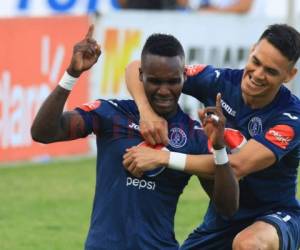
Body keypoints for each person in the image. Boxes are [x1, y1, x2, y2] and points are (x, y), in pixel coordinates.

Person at [31, 26, 239, 250]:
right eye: (155, 81)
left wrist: (219, 148)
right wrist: (71, 75)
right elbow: (43, 132)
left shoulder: (194, 135)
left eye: (173, 82)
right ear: (141, 76)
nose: (164, 90)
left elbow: (227, 207)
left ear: (183, 78)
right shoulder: (112, 113)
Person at [124, 23, 300, 249]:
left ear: (289, 75)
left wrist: (163, 158)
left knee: (249, 244)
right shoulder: (218, 80)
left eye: (271, 71)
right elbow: (136, 67)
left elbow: (234, 167)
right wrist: (146, 112)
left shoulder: (291, 117)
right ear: (252, 50)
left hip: (275, 217)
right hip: (225, 217)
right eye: (256, 62)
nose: (257, 75)